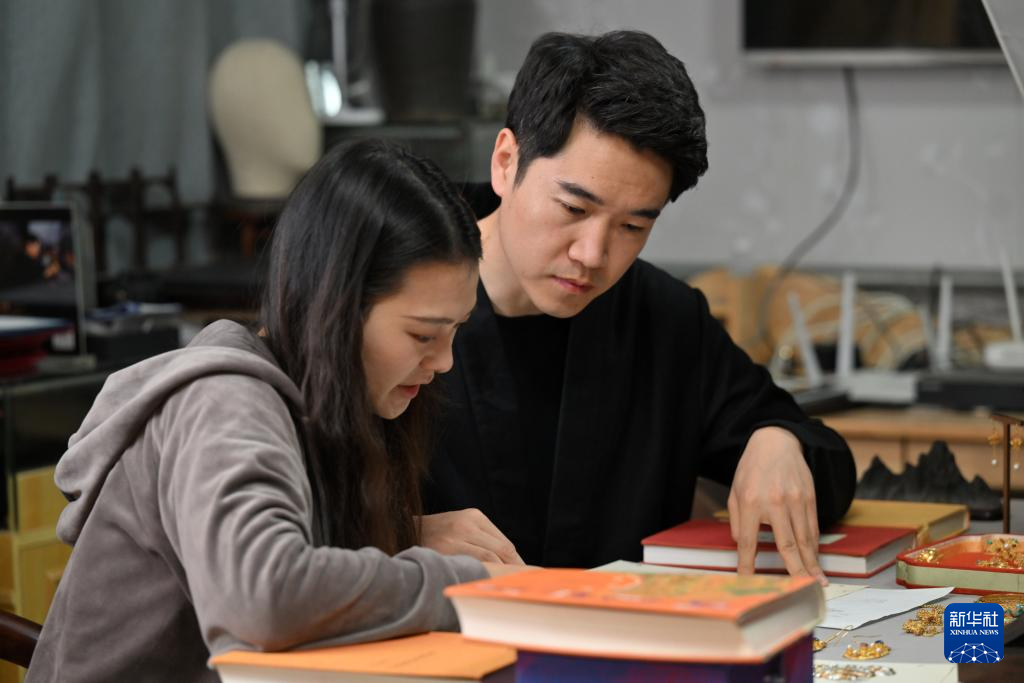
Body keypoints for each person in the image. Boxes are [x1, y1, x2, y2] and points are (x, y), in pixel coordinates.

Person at [27, 140, 515, 682]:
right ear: (336, 305)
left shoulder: (325, 399)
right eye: (423, 334)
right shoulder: (224, 401)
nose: (444, 362)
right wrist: (463, 587)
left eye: (455, 330)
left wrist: (401, 534)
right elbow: (262, 599)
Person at [420, 31, 857, 581]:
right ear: (506, 162)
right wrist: (399, 532)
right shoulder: (391, 290)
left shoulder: (664, 319)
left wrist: (778, 440)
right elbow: (315, 506)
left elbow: (827, 461)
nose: (593, 255)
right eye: (574, 208)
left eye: (632, 226)